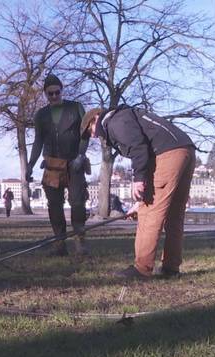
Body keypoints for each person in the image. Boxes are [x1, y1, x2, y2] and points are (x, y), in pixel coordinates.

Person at [86, 105, 196, 279]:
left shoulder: (114, 122)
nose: (92, 136)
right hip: (186, 149)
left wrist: (138, 181)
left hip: (168, 154)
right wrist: (138, 202)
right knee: (175, 214)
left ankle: (142, 268)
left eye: (89, 130)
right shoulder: (126, 116)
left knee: (150, 212)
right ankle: (171, 267)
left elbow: (138, 148)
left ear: (96, 118)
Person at [26, 74, 90, 256]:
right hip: (52, 165)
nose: (54, 96)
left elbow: (85, 134)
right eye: (50, 94)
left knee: (78, 203)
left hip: (74, 164)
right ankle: (59, 244)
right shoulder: (41, 115)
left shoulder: (76, 108)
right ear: (45, 94)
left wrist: (80, 155)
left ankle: (80, 242)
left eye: (56, 92)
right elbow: (38, 141)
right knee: (54, 205)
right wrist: (31, 164)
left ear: (62, 90)